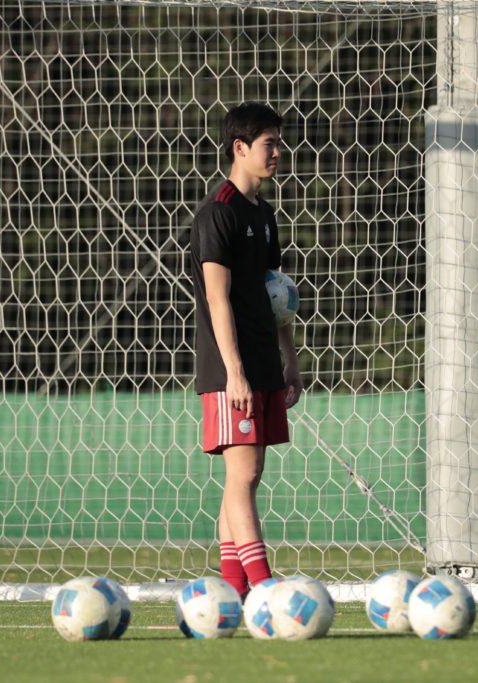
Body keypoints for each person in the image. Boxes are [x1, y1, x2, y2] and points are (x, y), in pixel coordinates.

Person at [188, 102, 303, 599]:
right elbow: (217, 298)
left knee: (246, 479)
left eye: (279, 143)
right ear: (240, 148)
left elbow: (275, 294)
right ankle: (263, 587)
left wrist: (290, 360)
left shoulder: (265, 214)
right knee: (243, 473)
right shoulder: (219, 211)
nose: (278, 152)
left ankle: (232, 593)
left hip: (263, 362)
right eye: (268, 144)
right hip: (228, 367)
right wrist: (234, 371)